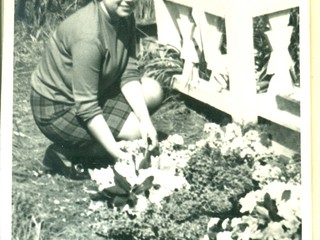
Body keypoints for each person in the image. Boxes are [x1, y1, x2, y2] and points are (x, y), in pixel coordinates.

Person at [30, 0, 164, 180]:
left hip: (91, 90)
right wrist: (118, 154)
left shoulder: (124, 17)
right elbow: (87, 106)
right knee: (134, 133)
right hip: (57, 107)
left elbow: (128, 72)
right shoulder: (89, 35)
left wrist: (146, 120)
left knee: (153, 90)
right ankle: (66, 153)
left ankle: (107, 139)